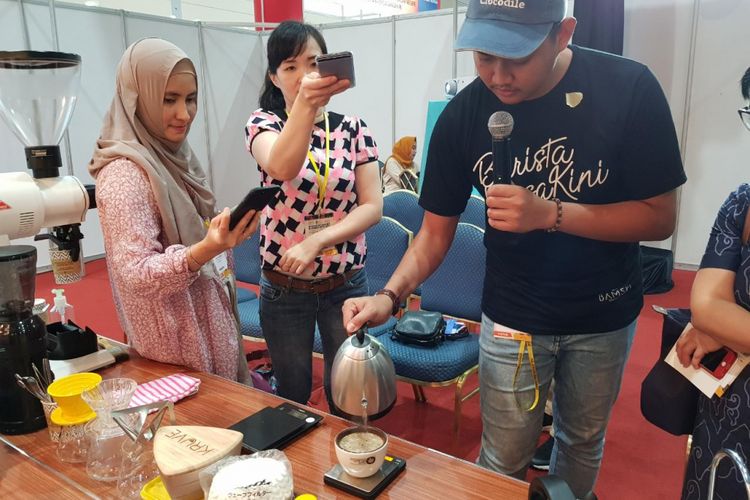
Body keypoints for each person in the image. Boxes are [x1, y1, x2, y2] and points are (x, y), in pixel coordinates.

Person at [343, 0, 686, 497]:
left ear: (562, 34)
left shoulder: (628, 88)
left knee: (582, 444)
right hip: (513, 318)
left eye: (517, 57)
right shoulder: (464, 116)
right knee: (502, 456)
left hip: (604, 313)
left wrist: (551, 213)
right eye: (484, 56)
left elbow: (660, 216)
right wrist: (389, 296)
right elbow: (436, 233)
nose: (498, 76)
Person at [89, 38, 259, 382]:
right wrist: (205, 250)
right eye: (169, 100)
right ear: (140, 99)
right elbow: (136, 274)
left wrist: (220, 238)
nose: (184, 114)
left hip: (207, 329)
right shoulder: (125, 174)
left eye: (190, 99)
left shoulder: (174, 157)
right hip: (175, 351)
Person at [244, 21, 382, 409]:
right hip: (285, 286)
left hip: (346, 284)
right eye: (290, 67)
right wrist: (304, 106)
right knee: (293, 394)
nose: (305, 76)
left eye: (313, 63)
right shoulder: (264, 124)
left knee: (349, 394)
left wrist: (317, 240)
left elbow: (373, 206)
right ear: (275, 76)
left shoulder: (354, 130)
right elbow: (283, 166)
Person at [675, 67, 750, 500]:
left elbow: (720, 311)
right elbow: (706, 304)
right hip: (730, 408)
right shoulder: (742, 203)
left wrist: (731, 324)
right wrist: (717, 319)